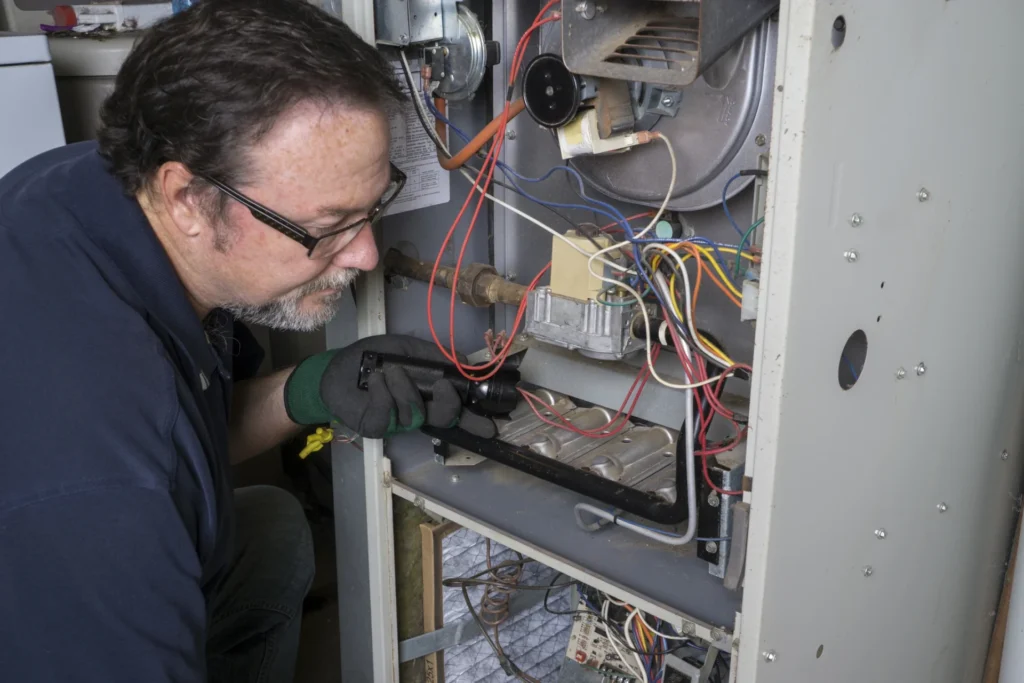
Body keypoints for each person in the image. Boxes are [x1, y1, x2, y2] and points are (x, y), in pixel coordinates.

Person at [0, 0, 492, 680]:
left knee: (272, 531)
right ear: (189, 199)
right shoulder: (106, 485)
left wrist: (309, 387)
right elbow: (146, 459)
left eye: (373, 207)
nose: (368, 255)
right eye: (330, 224)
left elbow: (187, 437)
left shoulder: (89, 185)